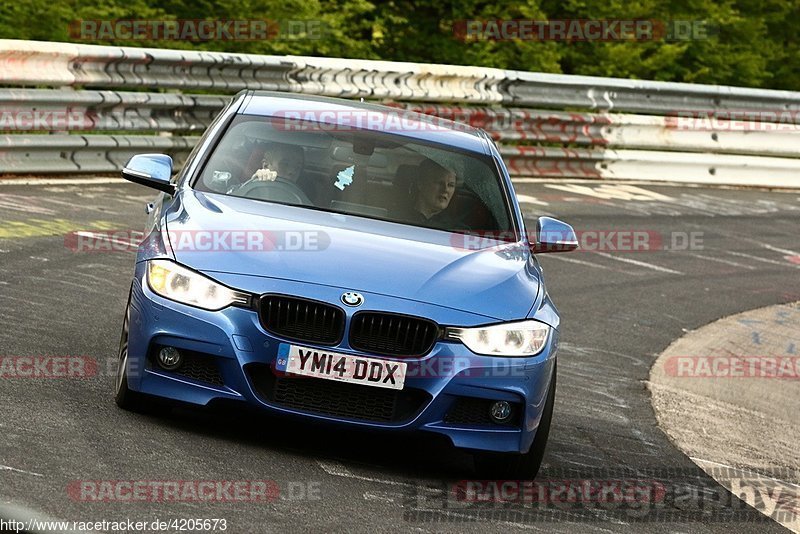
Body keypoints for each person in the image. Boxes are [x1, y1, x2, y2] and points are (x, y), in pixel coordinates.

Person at [397, 159, 459, 229]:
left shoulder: (456, 230)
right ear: (421, 184)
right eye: (439, 183)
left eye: (451, 185)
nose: (445, 189)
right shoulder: (395, 218)